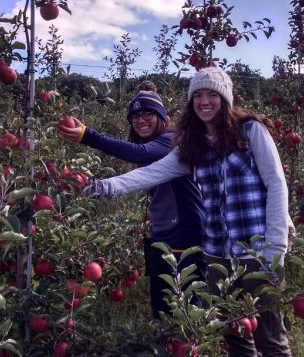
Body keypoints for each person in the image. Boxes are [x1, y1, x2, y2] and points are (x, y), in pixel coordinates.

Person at [90, 67, 294, 357]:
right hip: (218, 258)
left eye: (212, 94)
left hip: (258, 253)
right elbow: (151, 173)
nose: (204, 101)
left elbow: (276, 184)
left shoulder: (250, 131)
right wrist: (101, 186)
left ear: (225, 98)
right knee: (235, 336)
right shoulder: (192, 144)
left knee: (270, 340)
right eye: (197, 95)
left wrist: (276, 248)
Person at [56, 86, 205, 320]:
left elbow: (140, 153)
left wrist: (87, 135)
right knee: (163, 311)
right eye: (134, 116)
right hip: (163, 234)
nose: (140, 120)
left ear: (162, 117)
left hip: (185, 236)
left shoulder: (172, 140)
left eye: (148, 114)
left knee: (186, 311)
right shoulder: (160, 143)